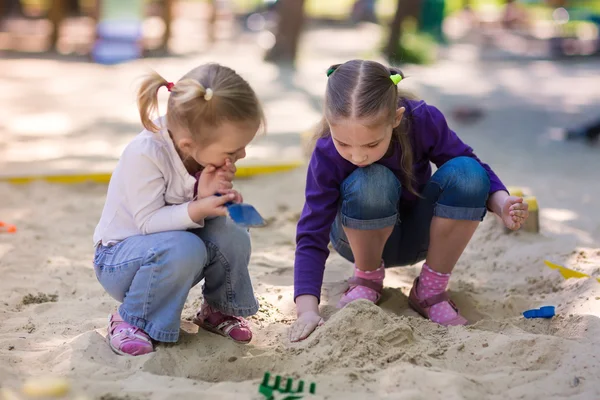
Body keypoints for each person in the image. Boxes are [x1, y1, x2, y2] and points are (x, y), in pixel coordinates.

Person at [290, 59, 529, 342]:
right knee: (371, 177)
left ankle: (430, 290)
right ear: (330, 122)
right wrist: (307, 310)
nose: (357, 156)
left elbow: (471, 166)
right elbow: (311, 234)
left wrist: (501, 203)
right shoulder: (327, 152)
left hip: (421, 237)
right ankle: (367, 279)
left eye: (370, 144)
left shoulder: (423, 119)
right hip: (358, 240)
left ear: (396, 118)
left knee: (467, 172)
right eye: (344, 143)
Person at [93, 63, 265, 355]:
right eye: (232, 151)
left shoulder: (202, 147)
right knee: (185, 246)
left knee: (231, 226)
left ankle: (219, 308)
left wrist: (212, 196)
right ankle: (132, 317)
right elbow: (148, 222)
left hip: (175, 255)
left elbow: (196, 209)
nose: (241, 156)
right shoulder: (146, 153)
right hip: (121, 261)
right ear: (188, 144)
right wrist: (199, 207)